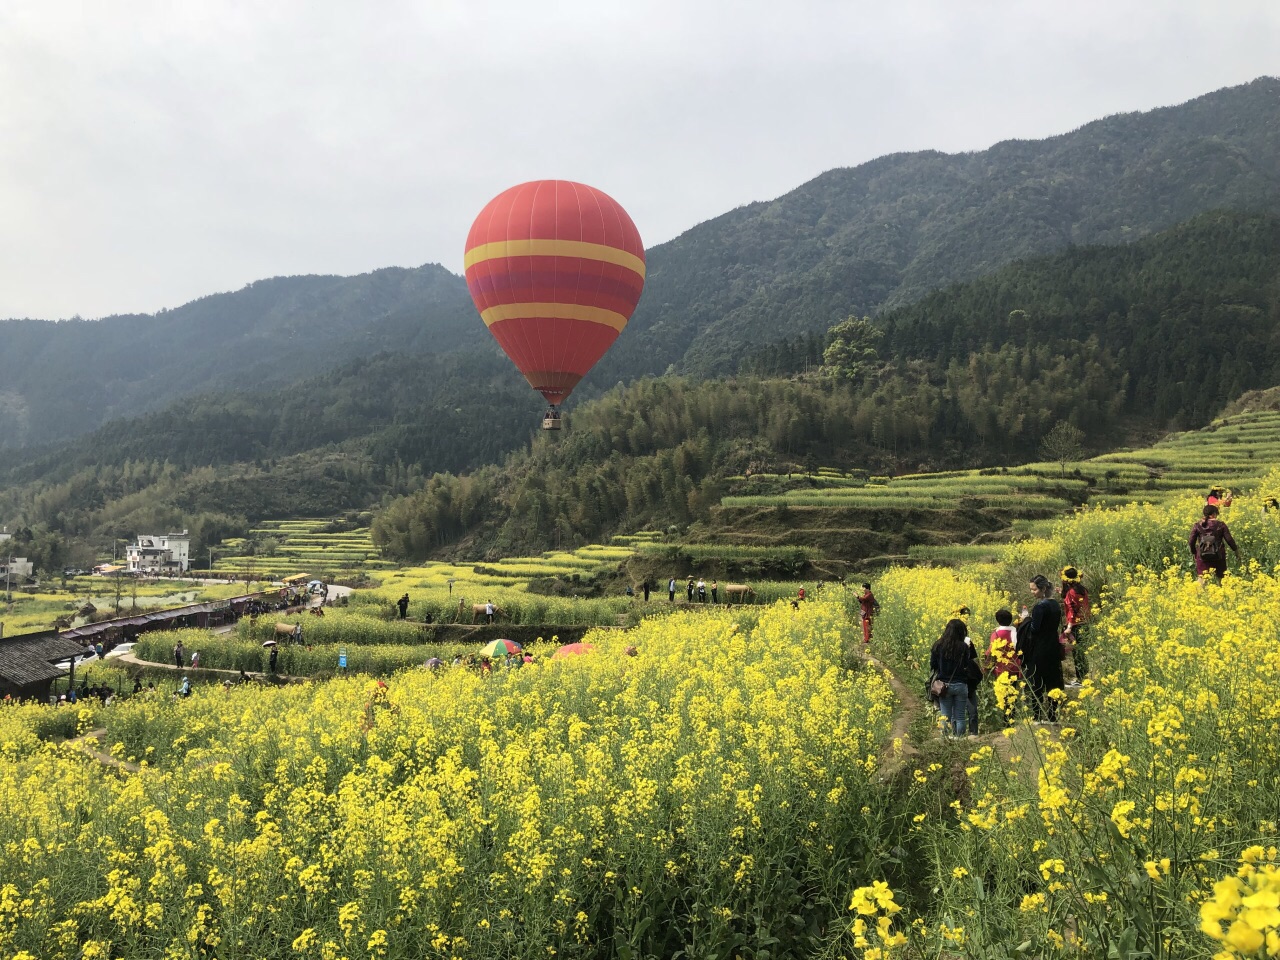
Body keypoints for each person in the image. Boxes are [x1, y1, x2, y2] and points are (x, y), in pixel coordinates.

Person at [1016, 575, 1064, 722]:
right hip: (1053, 647)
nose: (1032, 592)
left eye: (1034, 589)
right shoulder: (1055, 604)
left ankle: (1037, 716)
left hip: (1039, 649)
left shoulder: (1040, 606)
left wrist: (1025, 620)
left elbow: (1035, 629)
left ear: (1043, 589)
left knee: (1036, 681)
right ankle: (1052, 716)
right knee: (1053, 682)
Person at [930, 619, 976, 736]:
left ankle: (944, 740)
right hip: (961, 684)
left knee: (945, 716)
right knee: (960, 716)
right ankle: (959, 740)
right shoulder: (964, 647)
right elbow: (966, 664)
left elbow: (933, 665)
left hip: (944, 685)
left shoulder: (938, 645)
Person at [1189, 503, 1240, 581]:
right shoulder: (1221, 525)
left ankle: (1198, 593)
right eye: (1216, 514)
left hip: (1202, 555)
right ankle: (1222, 593)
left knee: (1202, 579)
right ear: (1213, 514)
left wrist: (1194, 553)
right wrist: (1236, 551)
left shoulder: (1197, 525)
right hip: (1219, 555)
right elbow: (1229, 540)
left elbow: (1191, 541)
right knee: (1221, 578)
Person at [1059, 567, 1091, 684]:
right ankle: (1084, 676)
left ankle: (1080, 678)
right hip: (1085, 623)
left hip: (1076, 625)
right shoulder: (1082, 589)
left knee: (1077, 652)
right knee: (1082, 651)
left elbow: (1072, 610)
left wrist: (1069, 627)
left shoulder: (1070, 592)